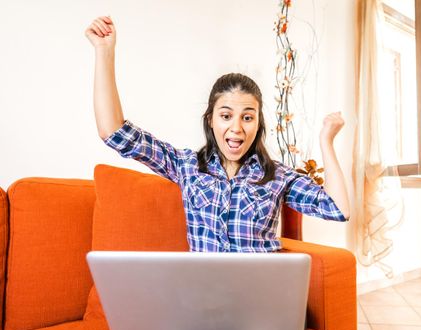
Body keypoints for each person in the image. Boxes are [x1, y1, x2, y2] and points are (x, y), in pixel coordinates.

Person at [85, 16, 350, 253]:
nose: (236, 128)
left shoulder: (277, 176)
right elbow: (114, 133)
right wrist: (104, 52)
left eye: (247, 117)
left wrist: (326, 141)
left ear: (258, 123)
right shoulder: (186, 166)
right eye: (226, 116)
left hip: (257, 297)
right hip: (204, 299)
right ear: (211, 120)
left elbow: (337, 209)